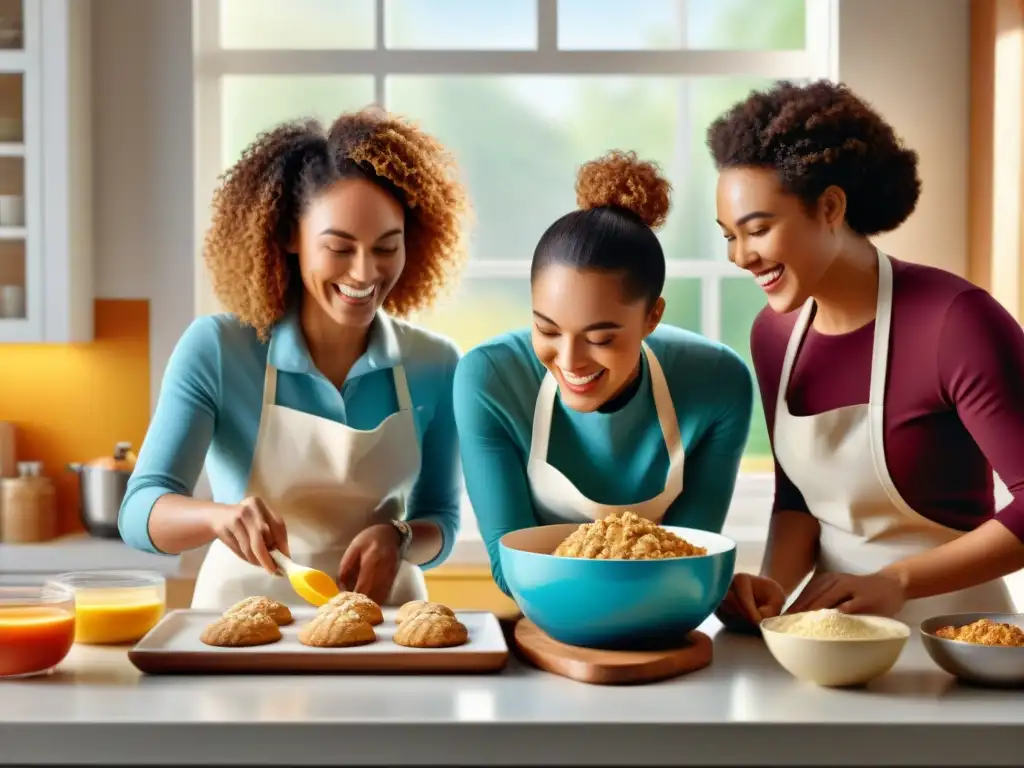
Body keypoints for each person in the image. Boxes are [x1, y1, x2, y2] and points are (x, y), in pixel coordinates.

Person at [119, 108, 470, 609]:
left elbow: (442, 518)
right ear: (289, 236)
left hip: (385, 627)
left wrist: (401, 537)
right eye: (340, 248)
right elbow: (138, 512)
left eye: (386, 248)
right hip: (241, 624)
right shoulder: (218, 349)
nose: (366, 272)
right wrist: (218, 517)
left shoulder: (435, 364)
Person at [709, 80, 1024, 631]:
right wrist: (774, 593)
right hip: (827, 637)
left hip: (954, 638)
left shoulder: (955, 321)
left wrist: (897, 582)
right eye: (728, 237)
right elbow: (798, 502)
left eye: (757, 229)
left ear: (830, 206)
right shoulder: (774, 336)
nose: (741, 256)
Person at [452, 150, 754, 595]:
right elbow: (510, 564)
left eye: (600, 338)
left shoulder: (718, 383)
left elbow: (692, 558)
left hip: (665, 618)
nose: (570, 361)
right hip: (547, 617)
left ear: (652, 317)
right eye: (546, 329)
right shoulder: (490, 379)